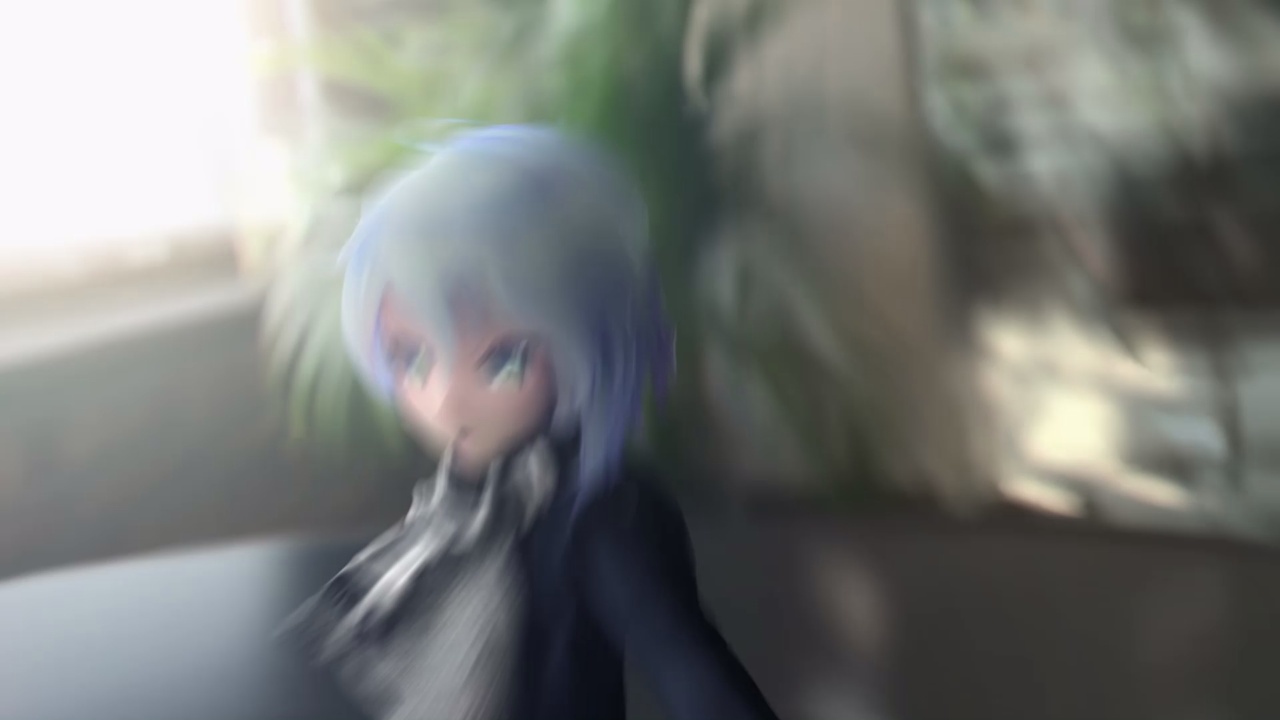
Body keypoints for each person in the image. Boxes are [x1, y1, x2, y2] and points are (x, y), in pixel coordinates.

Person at [282, 124, 779, 720]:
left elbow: (693, 675)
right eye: (410, 359)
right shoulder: (458, 505)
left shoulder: (600, 516)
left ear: (584, 345)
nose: (444, 400)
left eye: (503, 361)